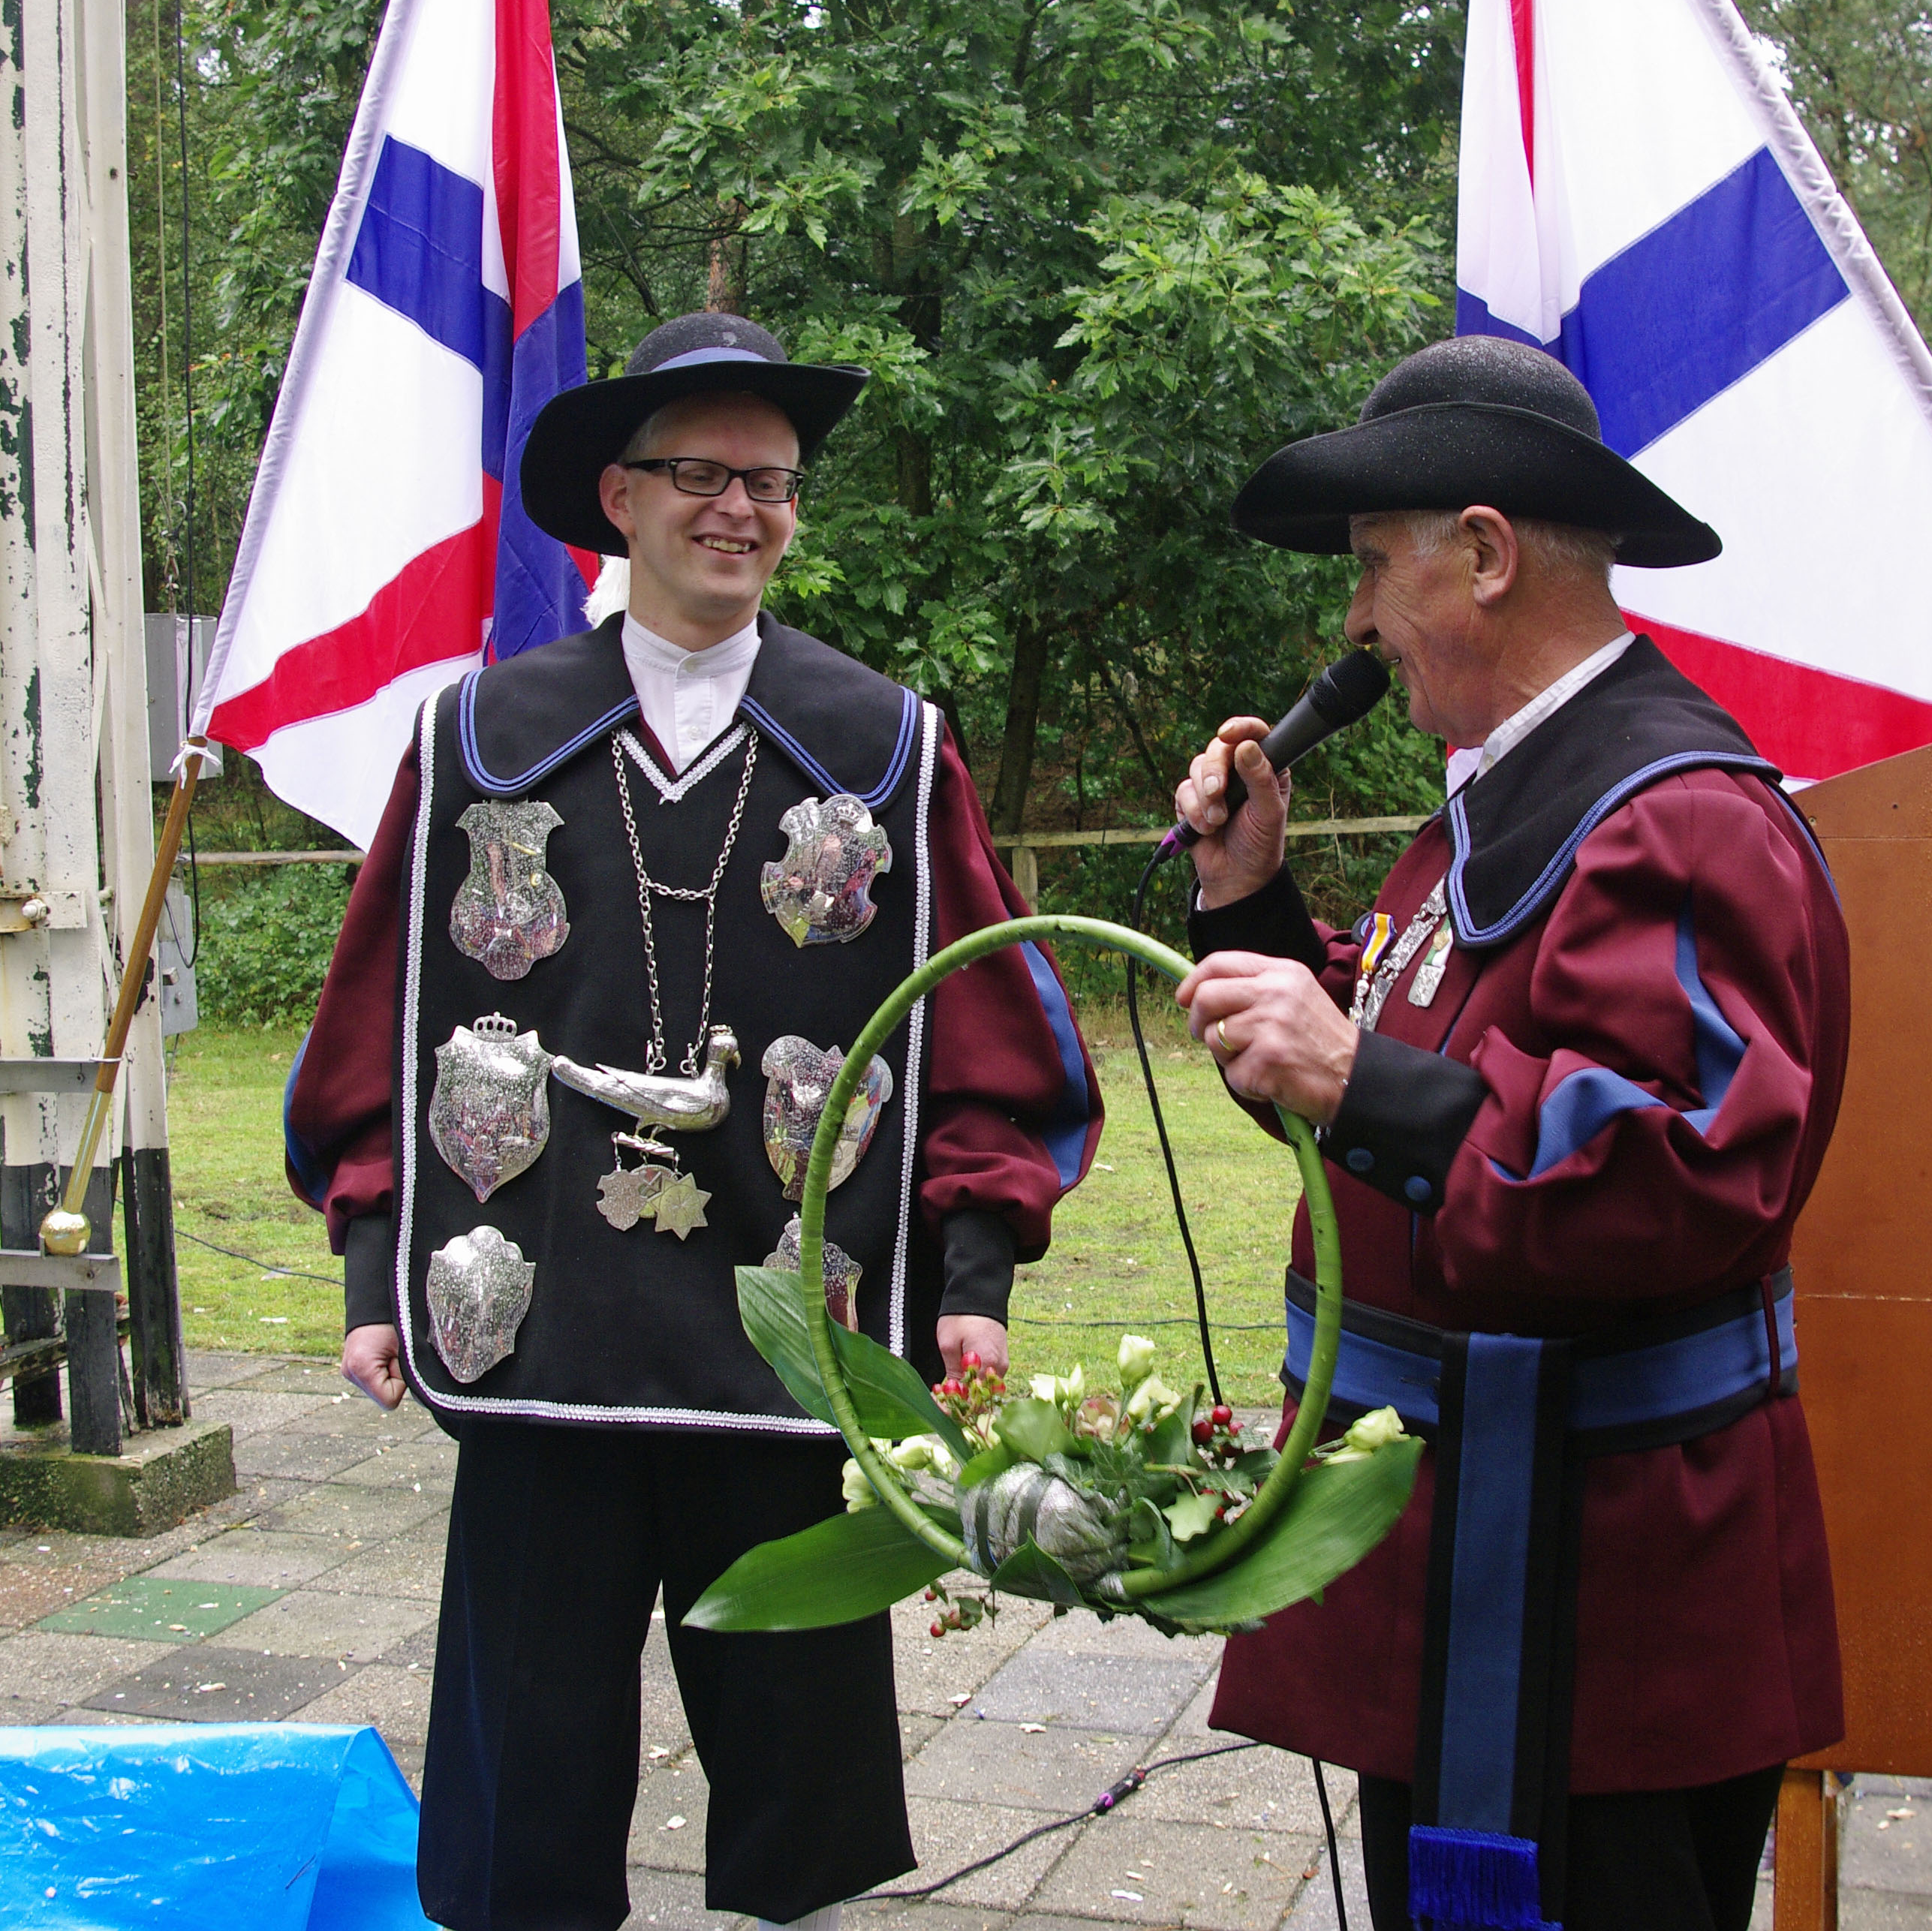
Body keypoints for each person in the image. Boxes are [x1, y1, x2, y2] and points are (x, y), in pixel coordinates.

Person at [284, 311, 1102, 1931]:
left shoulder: (883, 745)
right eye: (701, 476)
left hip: (788, 1333)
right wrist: (377, 1264)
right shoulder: (479, 738)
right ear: (620, 496)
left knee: (801, 1788)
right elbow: (382, 1019)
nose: (740, 509)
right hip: (545, 1337)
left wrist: (973, 1277)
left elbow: (986, 1036)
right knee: (526, 1794)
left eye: (771, 483)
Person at [1169, 335, 1847, 1931]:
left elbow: (1678, 1169)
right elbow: (1416, 1063)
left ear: (1481, 555)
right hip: (1486, 1569)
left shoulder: (1676, 815)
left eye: (1368, 564)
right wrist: (1253, 907)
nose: (1352, 620)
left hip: (1596, 1621)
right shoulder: (1512, 798)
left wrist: (1358, 1078)